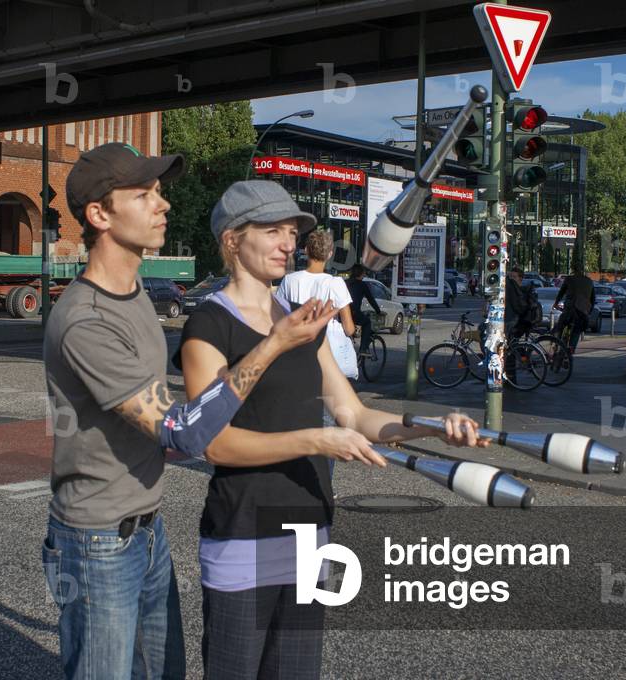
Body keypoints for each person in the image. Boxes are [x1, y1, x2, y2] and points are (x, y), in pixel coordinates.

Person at [42, 144, 337, 680]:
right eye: (144, 195)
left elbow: (180, 427)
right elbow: (184, 435)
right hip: (97, 540)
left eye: (159, 192)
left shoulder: (132, 296)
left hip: (146, 532)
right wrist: (273, 346)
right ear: (100, 215)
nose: (164, 206)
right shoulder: (85, 322)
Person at [177, 179, 488, 679]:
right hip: (242, 535)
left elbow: (354, 415)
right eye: (273, 230)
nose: (288, 243)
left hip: (309, 531)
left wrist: (431, 427)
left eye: (293, 232)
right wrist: (316, 440)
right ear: (233, 240)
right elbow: (214, 443)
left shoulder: (305, 321)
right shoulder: (209, 325)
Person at [276, 229, 357, 379]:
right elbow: (348, 328)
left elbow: (277, 316)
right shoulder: (336, 283)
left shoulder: (290, 281)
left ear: (306, 250)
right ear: (330, 254)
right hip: (329, 357)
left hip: (297, 352)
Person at [553, 264, 597, 351]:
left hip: (570, 309)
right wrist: (588, 312)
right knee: (577, 330)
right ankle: (571, 349)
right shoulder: (589, 281)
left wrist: (556, 303)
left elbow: (561, 293)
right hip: (582, 311)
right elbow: (593, 299)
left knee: (560, 326)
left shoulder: (569, 279)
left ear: (573, 271)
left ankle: (556, 345)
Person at [346, 263, 382, 357]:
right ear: (361, 274)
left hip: (342, 314)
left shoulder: (345, 282)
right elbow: (371, 299)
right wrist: (378, 311)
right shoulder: (362, 285)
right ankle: (363, 349)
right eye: (364, 273)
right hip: (353, 313)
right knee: (367, 322)